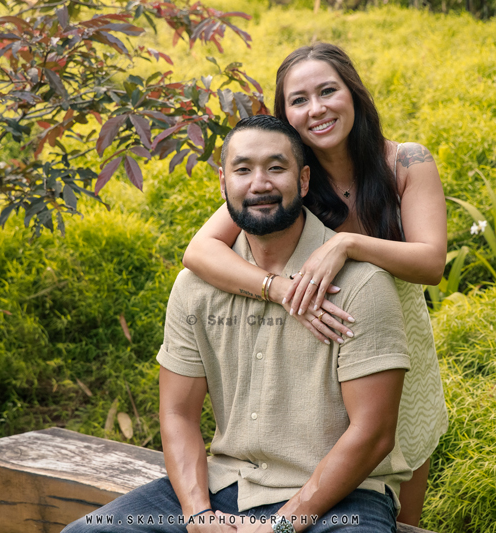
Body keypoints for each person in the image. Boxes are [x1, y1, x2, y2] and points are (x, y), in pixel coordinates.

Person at [62, 115, 416, 533]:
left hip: (341, 499)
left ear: (304, 181)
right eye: (243, 169)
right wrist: (197, 513)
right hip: (225, 485)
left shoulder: (360, 285)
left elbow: (373, 435)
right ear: (223, 182)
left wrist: (280, 527)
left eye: (276, 167)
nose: (259, 183)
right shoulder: (196, 288)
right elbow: (177, 413)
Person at [182, 43, 448, 526]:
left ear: (353, 93)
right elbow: (198, 253)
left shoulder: (405, 163)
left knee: (400, 511)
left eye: (328, 91)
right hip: (318, 354)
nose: (317, 109)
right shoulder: (286, 176)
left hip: (399, 339)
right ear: (284, 114)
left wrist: (347, 245)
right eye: (298, 101)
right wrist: (278, 289)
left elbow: (431, 262)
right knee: (329, 481)